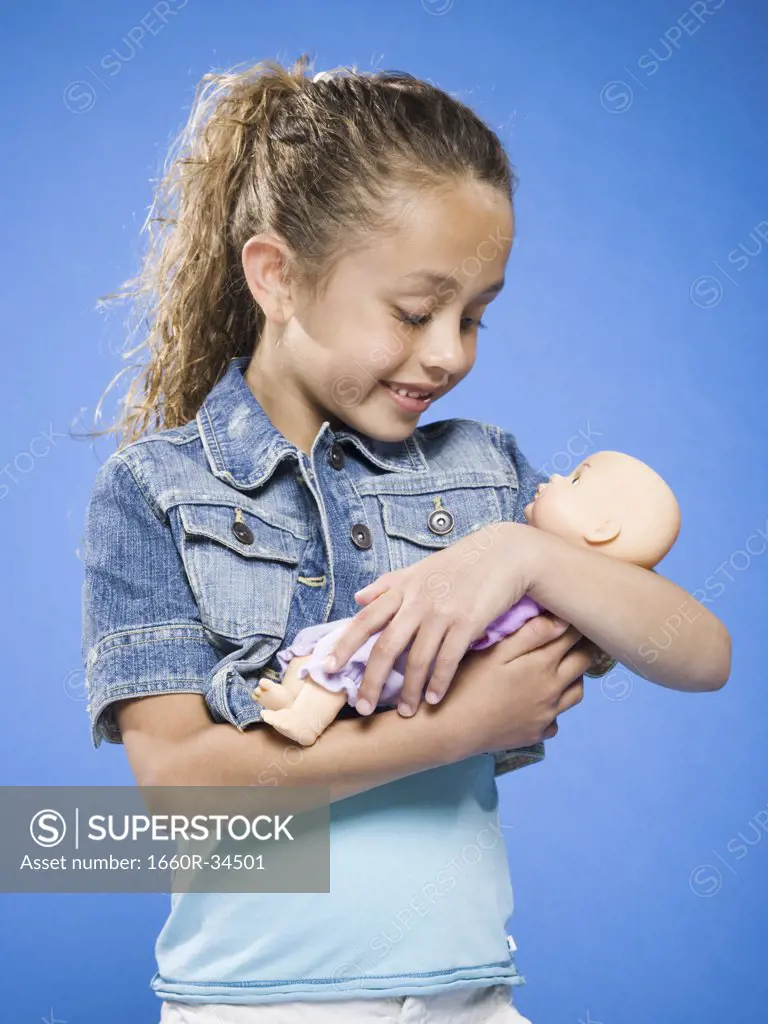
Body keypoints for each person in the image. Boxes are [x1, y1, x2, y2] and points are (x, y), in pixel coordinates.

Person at [81, 55, 731, 1023]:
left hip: (471, 997)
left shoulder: (488, 480)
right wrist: (463, 725)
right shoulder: (155, 490)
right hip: (256, 1006)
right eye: (418, 312)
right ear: (278, 277)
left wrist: (525, 554)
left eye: (476, 317)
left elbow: (700, 656)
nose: (451, 353)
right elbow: (181, 788)